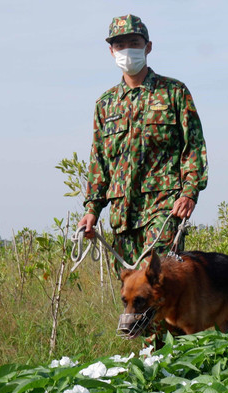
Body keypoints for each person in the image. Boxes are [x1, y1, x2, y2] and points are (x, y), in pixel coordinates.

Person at [78, 14, 208, 276]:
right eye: (120, 44)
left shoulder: (174, 92)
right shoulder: (105, 104)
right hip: (123, 214)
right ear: (111, 51)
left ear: (148, 47)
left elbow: (193, 146)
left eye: (134, 43)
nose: (127, 50)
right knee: (132, 290)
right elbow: (99, 162)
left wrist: (189, 191)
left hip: (164, 206)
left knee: (158, 280)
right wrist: (92, 210)